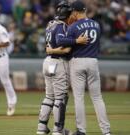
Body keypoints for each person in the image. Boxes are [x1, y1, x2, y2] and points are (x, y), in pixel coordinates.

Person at [36, 1, 88, 135]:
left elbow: (50, 46)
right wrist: (74, 42)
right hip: (58, 63)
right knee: (60, 98)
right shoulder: (62, 26)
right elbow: (60, 42)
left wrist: (52, 50)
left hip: (48, 62)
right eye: (71, 13)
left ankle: (41, 128)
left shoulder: (50, 24)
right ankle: (58, 130)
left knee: (49, 97)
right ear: (67, 14)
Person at [65, 1, 111, 135]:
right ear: (84, 10)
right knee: (97, 97)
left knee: (79, 98)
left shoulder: (73, 27)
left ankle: (81, 130)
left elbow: (66, 45)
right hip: (93, 61)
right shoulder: (96, 24)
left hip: (78, 61)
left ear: (75, 12)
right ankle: (106, 131)